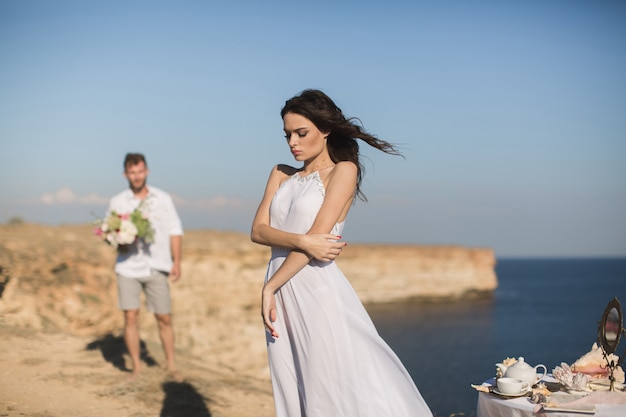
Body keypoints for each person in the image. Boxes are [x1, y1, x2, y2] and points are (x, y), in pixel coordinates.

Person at [251, 89, 433, 416]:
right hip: (282, 289)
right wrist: (305, 241)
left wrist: (270, 285)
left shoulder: (343, 171)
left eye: (301, 133)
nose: (293, 141)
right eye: (288, 134)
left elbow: (319, 233)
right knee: (291, 384)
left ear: (326, 129)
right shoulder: (280, 173)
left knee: (330, 388)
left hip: (315, 292)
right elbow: (258, 231)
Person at [106, 153, 183, 379]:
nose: (136, 176)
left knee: (164, 317)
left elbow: (175, 230)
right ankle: (137, 368)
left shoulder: (163, 198)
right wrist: (120, 238)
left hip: (157, 266)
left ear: (146, 171)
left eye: (140, 171)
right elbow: (110, 234)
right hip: (127, 267)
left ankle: (171, 365)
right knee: (130, 316)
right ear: (125, 174)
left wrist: (176, 261)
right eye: (132, 172)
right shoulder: (117, 201)